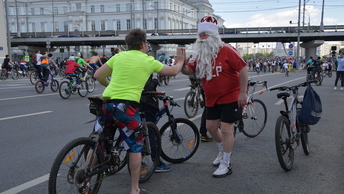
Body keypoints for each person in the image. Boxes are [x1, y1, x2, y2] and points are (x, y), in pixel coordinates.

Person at [94, 28, 185, 194]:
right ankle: (134, 189)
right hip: (125, 107)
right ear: (144, 43)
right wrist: (180, 60)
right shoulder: (147, 60)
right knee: (135, 147)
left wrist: (111, 87)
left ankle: (84, 175)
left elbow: (98, 75)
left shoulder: (118, 56)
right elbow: (172, 71)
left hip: (105, 103)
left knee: (98, 143)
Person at [181, 16, 248, 178]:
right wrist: (182, 62)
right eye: (201, 35)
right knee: (211, 128)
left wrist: (242, 92)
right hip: (211, 98)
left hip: (230, 96)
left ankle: (226, 163)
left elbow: (243, 69)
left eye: (206, 34)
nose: (203, 38)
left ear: (213, 36)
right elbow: (188, 71)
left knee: (226, 129)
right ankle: (221, 151)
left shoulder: (226, 49)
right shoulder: (198, 54)